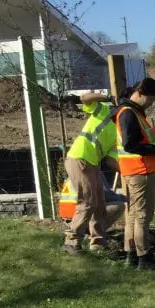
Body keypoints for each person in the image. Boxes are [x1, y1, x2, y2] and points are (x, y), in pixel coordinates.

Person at [114, 77, 155, 269]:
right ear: (140, 93)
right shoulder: (129, 113)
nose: (151, 103)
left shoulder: (127, 112)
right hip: (141, 170)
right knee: (143, 216)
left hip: (132, 170)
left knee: (132, 215)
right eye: (151, 99)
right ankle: (144, 257)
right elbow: (131, 144)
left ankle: (132, 255)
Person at [62, 91, 124, 254]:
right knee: (87, 202)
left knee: (99, 204)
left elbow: (112, 161)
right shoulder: (102, 111)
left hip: (92, 164)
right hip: (79, 158)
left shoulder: (118, 133)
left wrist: (131, 174)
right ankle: (71, 241)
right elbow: (84, 99)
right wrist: (107, 97)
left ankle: (98, 243)